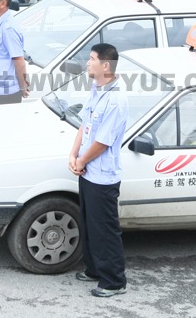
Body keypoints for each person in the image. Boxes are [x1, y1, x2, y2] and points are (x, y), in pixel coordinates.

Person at [68, 43, 128, 298]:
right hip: (88, 171)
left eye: (92, 59)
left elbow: (103, 141)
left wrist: (81, 161)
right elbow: (85, 125)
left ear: (106, 66)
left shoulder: (116, 100)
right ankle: (94, 269)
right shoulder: (96, 89)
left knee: (104, 229)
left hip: (102, 176)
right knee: (90, 225)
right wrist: (74, 154)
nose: (88, 63)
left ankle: (114, 281)